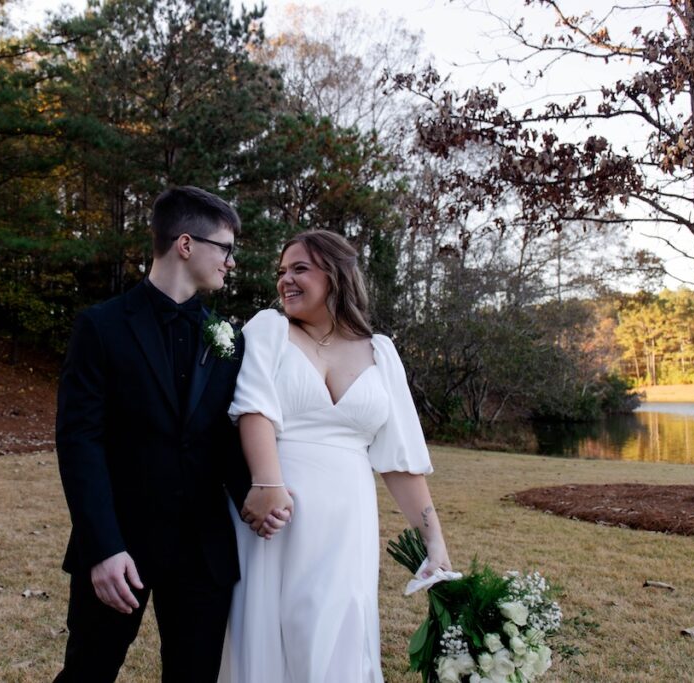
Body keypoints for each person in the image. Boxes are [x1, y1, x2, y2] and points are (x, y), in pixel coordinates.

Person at [218, 230, 452, 683]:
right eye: (281, 271)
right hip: (276, 514)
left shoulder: (379, 352)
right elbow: (253, 408)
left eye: (299, 268)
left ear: (337, 276)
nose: (285, 279)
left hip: (348, 519)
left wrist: (433, 539)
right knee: (273, 626)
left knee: (337, 625)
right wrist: (268, 486)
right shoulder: (269, 329)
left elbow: (398, 458)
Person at [54, 186, 263, 683]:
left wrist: (261, 496)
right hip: (120, 546)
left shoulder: (230, 339)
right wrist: (102, 547)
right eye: (226, 249)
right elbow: (79, 442)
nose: (231, 263)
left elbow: (225, 440)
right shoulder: (100, 327)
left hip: (203, 553)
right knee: (88, 672)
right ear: (186, 245)